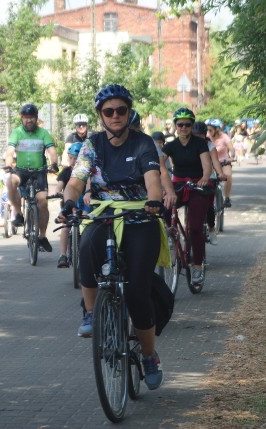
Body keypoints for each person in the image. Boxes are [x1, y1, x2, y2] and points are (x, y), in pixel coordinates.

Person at [57, 84, 165, 390]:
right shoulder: (92, 145)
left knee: (137, 292)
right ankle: (91, 313)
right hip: (105, 213)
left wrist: (154, 201)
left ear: (128, 113)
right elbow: (77, 181)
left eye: (121, 110)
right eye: (109, 111)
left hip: (140, 215)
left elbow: (153, 181)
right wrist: (68, 202)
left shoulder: (143, 144)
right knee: (87, 248)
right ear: (100, 115)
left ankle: (148, 355)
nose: (116, 116)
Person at [161, 108, 213, 285]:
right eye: (180, 124)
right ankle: (170, 232)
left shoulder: (199, 144)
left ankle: (197, 266)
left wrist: (205, 178)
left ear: (192, 125)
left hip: (198, 185)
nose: (183, 127)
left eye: (187, 124)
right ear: (175, 126)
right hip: (178, 184)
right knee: (164, 204)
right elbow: (158, 161)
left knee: (196, 227)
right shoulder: (170, 145)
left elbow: (207, 164)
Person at [5, 103, 59, 252]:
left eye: (32, 117)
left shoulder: (43, 133)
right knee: (10, 181)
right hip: (21, 171)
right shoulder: (16, 132)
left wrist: (54, 163)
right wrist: (9, 164)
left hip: (39, 172)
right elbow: (9, 152)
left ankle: (42, 236)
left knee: (42, 201)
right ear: (22, 118)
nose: (29, 121)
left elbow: (52, 151)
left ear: (36, 118)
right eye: (26, 118)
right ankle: (19, 213)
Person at [194, 121, 226, 245]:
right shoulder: (186, 144)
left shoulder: (209, 145)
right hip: (191, 178)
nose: (197, 138)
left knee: (208, 205)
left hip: (208, 178)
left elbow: (215, 161)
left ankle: (211, 229)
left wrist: (220, 173)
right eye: (195, 135)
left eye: (200, 135)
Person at [53, 142, 84, 268]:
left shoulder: (86, 172)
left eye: (75, 159)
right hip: (69, 207)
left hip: (83, 206)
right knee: (65, 226)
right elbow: (60, 185)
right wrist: (57, 192)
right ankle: (63, 255)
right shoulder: (66, 172)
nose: (72, 161)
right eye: (70, 158)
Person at [207, 119, 235, 208]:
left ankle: (227, 198)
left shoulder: (224, 137)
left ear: (216, 129)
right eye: (207, 130)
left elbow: (232, 149)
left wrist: (232, 157)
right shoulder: (207, 137)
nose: (208, 132)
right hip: (210, 162)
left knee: (228, 175)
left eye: (210, 130)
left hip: (223, 161)